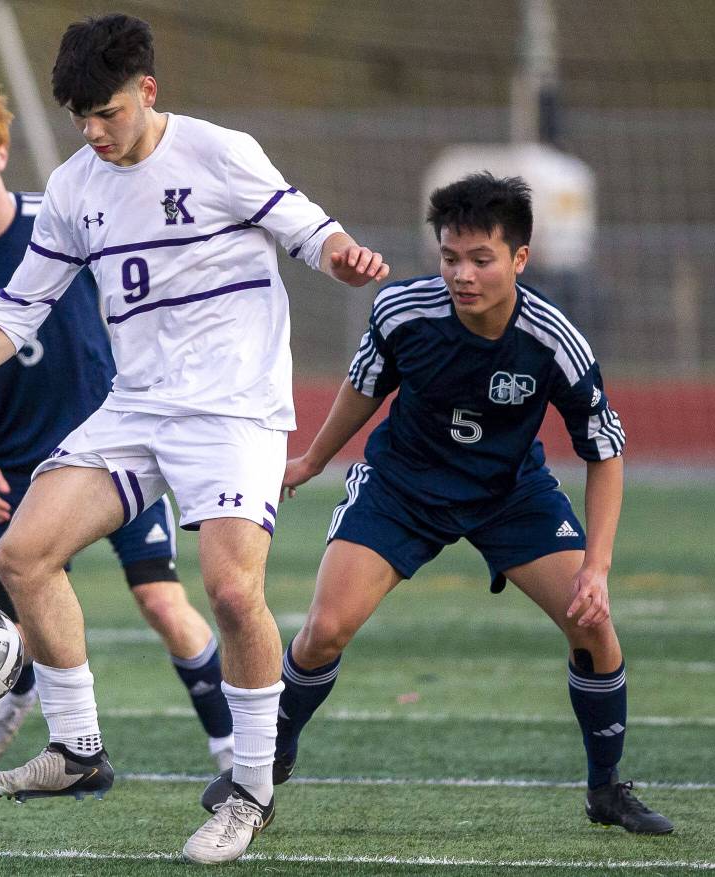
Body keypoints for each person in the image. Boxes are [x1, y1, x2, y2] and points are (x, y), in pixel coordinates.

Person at [0, 15, 388, 865]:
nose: (94, 132)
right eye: (80, 119)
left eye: (107, 114)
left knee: (231, 596)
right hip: (136, 409)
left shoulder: (218, 152)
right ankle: (78, 749)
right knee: (23, 555)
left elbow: (311, 229)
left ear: (148, 93)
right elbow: (19, 308)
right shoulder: (71, 186)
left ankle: (248, 789)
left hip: (234, 409)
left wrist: (344, 254)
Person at [202, 172, 674, 835]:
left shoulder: (555, 340)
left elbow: (605, 452)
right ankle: (269, 757)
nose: (463, 273)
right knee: (324, 629)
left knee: (593, 625)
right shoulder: (401, 312)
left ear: (519, 259)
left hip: (509, 493)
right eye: (451, 257)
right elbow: (364, 387)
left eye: (481, 259)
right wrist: (311, 458)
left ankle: (606, 788)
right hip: (403, 487)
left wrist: (596, 568)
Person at [0, 83, 235, 774]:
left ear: (0, 152)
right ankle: (20, 689)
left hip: (114, 445)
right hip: (20, 467)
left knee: (161, 600)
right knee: (16, 623)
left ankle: (230, 743)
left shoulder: (60, 216)